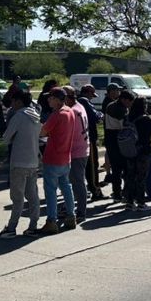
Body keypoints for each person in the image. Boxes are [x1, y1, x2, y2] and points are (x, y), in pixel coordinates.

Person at [0, 89, 41, 238]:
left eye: (13, 101)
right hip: (33, 161)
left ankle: (11, 228)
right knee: (33, 195)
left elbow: (6, 138)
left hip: (19, 161)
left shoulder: (19, 116)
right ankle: (33, 226)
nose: (12, 104)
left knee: (17, 197)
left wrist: (14, 139)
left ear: (19, 101)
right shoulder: (36, 116)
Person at [38, 88, 77, 233]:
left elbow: (42, 131)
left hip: (53, 157)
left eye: (50, 98)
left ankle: (51, 221)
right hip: (66, 157)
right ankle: (71, 216)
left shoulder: (57, 114)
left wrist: (41, 125)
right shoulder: (70, 111)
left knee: (51, 191)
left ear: (57, 99)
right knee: (66, 187)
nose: (48, 100)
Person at [63, 86, 92, 222]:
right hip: (82, 148)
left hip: (76, 151)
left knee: (77, 182)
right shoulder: (80, 106)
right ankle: (70, 207)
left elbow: (66, 133)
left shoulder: (72, 111)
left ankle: (81, 211)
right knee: (74, 181)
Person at [102, 84, 128, 201]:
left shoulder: (109, 105)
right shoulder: (120, 109)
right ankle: (124, 192)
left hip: (109, 138)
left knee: (116, 169)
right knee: (124, 168)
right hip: (119, 139)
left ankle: (116, 193)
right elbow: (124, 126)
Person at [78, 84, 104, 201]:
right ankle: (95, 189)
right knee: (92, 166)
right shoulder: (84, 101)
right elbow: (95, 116)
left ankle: (92, 188)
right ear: (87, 92)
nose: (92, 98)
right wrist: (101, 115)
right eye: (91, 95)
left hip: (83, 138)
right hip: (89, 137)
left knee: (88, 166)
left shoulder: (79, 102)